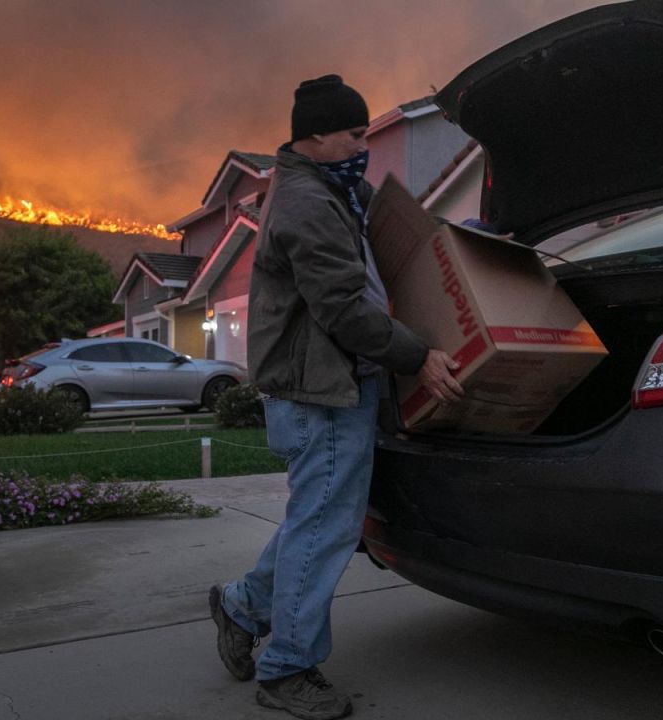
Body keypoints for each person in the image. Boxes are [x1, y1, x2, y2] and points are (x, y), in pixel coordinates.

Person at [209, 74, 463, 720]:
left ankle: (242, 607)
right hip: (320, 392)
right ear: (316, 135)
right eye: (354, 133)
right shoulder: (306, 205)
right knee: (324, 527)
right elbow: (344, 310)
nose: (363, 145)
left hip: (340, 383)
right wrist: (418, 355)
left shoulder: (335, 189)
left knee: (322, 522)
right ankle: (288, 666)